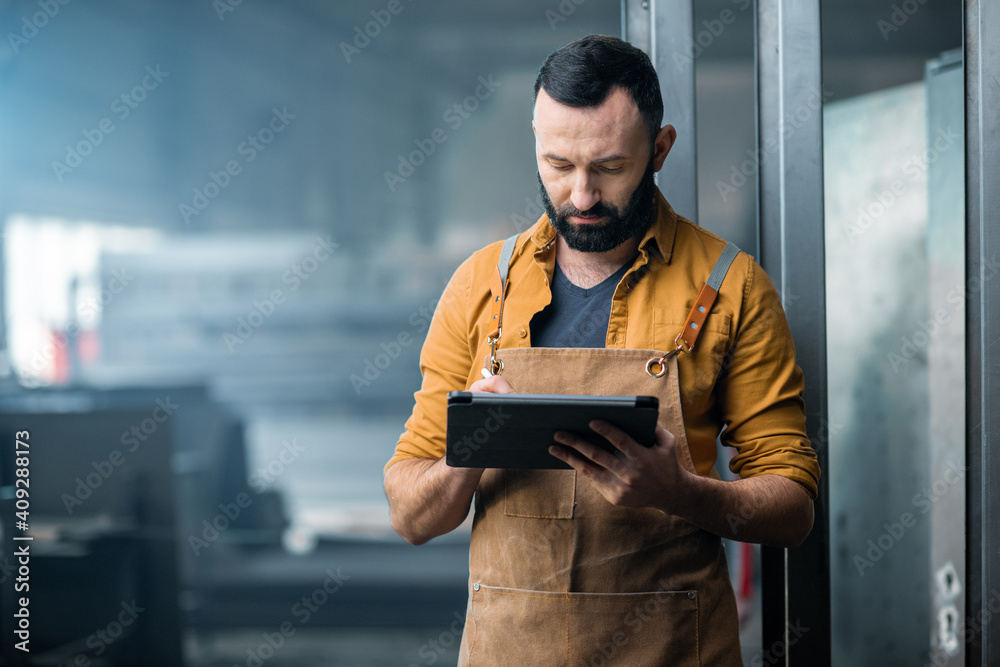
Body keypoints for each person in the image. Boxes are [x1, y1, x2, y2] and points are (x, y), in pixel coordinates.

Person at [383, 34, 820, 665]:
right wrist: (470, 451)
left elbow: (793, 509)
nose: (582, 196)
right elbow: (411, 515)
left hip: (673, 650)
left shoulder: (732, 287)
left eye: (610, 167)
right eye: (558, 166)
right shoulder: (481, 286)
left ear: (660, 149)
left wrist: (683, 492)